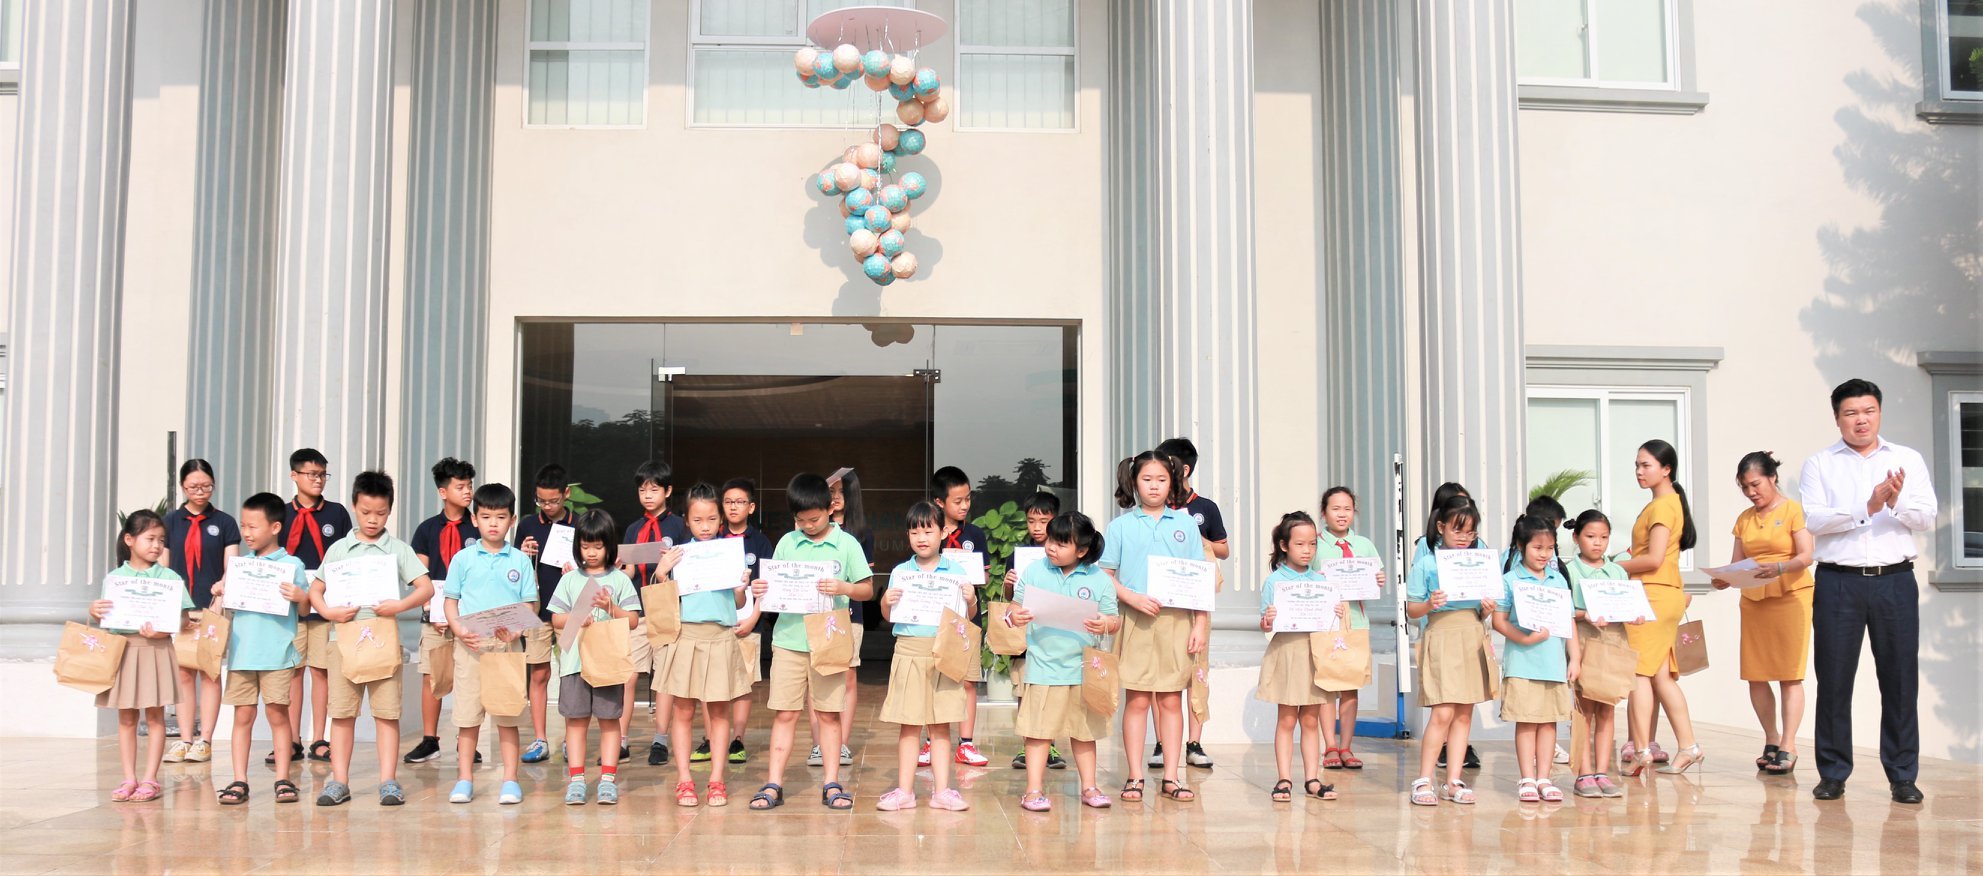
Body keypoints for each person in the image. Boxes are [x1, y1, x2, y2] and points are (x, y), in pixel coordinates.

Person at [1798, 379, 1935, 805]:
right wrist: (1868, 507)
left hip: (1895, 581)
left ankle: (1903, 775)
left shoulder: (1906, 459)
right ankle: (1833, 773)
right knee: (1834, 680)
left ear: (1879, 413)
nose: (1862, 420)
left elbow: (1926, 517)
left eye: (1869, 411)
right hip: (1839, 582)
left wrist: (1895, 502)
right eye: (1852, 413)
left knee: (1900, 680)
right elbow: (1815, 520)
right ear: (1837, 417)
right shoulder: (1820, 464)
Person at [746, 473, 874, 811]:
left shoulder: (847, 544)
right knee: (785, 713)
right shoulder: (788, 542)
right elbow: (773, 588)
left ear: (830, 508)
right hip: (789, 640)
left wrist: (844, 588)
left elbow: (867, 589)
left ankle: (832, 783)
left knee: (829, 714)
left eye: (814, 519)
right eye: (801, 520)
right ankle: (774, 783)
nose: (808, 526)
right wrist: (761, 589)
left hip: (829, 639)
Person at [306, 471, 434, 806]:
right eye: (365, 512)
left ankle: (388, 781)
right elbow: (315, 590)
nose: (372, 519)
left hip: (383, 638)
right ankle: (339, 781)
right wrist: (329, 612)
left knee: (386, 713)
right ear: (354, 506)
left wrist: (399, 605)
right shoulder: (339, 549)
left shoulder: (398, 550)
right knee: (342, 713)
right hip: (342, 639)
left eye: (380, 513)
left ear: (390, 510)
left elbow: (425, 588)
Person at [1097, 451, 1206, 803]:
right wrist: (1132, 598)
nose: (1154, 486)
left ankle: (1172, 776)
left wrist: (1200, 624)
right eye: (1147, 479)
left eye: (1161, 479)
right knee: (1138, 699)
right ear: (1134, 482)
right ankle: (1134, 776)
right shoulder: (1120, 527)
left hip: (1176, 621)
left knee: (1172, 699)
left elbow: (1200, 578)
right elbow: (1105, 574)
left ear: (1172, 482)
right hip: (1135, 621)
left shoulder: (1186, 525)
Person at [1711, 451, 1815, 776]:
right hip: (1754, 599)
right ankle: (1771, 738)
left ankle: (1789, 744)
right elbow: (1737, 563)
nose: (1751, 492)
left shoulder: (1793, 510)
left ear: (1772, 477)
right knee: (1756, 673)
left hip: (1790, 595)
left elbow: (1807, 555)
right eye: (1745, 487)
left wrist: (1780, 567)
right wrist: (1724, 578)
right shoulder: (1744, 519)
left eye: (1755, 484)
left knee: (1789, 673)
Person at [1009, 511, 1119, 812]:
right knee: (1038, 732)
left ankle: (1089, 787)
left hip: (1082, 670)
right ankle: (1033, 790)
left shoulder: (1100, 580)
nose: (1051, 548)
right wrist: (1014, 616)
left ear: (1081, 550)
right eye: (1050, 541)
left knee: (1084, 733)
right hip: (1043, 668)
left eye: (1061, 543)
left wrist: (1105, 623)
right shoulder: (1035, 571)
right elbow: (1013, 608)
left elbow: (1114, 620)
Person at [208, 492, 310, 804]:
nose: (247, 533)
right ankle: (239, 779)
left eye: (253, 526)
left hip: (277, 655)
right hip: (242, 655)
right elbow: (221, 611)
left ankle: (283, 778)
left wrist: (300, 597)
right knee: (243, 717)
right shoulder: (239, 566)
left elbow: (305, 610)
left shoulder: (292, 565)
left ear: (275, 527)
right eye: (243, 526)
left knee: (278, 716)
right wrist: (219, 592)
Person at [442, 483, 541, 805]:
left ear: (512, 520)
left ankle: (510, 780)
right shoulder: (463, 559)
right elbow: (450, 601)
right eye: (486, 517)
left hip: (506, 647)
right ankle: (464, 779)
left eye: (500, 517)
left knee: (507, 716)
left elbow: (530, 604)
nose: (493, 524)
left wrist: (517, 631)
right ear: (475, 519)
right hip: (471, 646)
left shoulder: (520, 560)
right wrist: (459, 630)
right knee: (467, 717)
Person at [655, 484, 753, 808]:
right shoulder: (680, 555)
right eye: (698, 520)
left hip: (721, 635)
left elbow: (738, 603)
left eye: (711, 519)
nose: (705, 526)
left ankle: (716, 779)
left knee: (719, 711)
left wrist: (741, 586)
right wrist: (662, 573)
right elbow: (664, 603)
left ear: (720, 519)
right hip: (687, 635)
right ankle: (684, 779)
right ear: (687, 520)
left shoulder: (729, 553)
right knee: (683, 710)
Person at [875, 500, 976, 811]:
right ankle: (905, 791)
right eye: (915, 532)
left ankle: (942, 791)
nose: (921, 538)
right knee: (909, 724)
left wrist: (972, 599)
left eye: (928, 531)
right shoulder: (900, 572)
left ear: (942, 533)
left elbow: (967, 617)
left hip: (943, 652)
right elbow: (888, 616)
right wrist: (886, 601)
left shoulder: (956, 572)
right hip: (909, 651)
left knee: (941, 724)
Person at [88, 510, 191, 804]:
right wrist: (94, 611)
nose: (157, 545)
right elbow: (106, 619)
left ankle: (150, 779)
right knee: (126, 717)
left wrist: (162, 630)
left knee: (156, 715)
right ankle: (129, 777)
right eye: (150, 539)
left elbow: (184, 620)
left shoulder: (169, 578)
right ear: (129, 540)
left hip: (157, 650)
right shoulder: (115, 579)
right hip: (125, 649)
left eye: (161, 540)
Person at [1616, 439, 1705, 776]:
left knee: (1639, 674)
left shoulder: (1663, 506)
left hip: (1652, 596)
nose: (1639, 472)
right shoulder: (1666, 503)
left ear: (1666, 469)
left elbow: (1653, 559)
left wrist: (1610, 568)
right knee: (1662, 678)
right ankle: (1689, 746)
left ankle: (1641, 749)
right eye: (1637, 465)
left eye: (1646, 465)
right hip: (1662, 594)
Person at [547, 509, 642, 805]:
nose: (591, 553)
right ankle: (576, 780)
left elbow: (633, 620)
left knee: (609, 720)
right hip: (574, 663)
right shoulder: (569, 580)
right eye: (585, 546)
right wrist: (578, 616)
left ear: (609, 546)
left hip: (608, 664)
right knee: (575, 721)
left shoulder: (620, 580)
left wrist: (610, 607)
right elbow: (556, 619)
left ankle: (607, 780)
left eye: (598, 547)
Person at [1405, 495, 1492, 806]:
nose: (1464, 538)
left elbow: (1484, 606)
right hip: (1441, 634)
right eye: (1458, 530)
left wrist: (1487, 608)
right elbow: (1411, 610)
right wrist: (1430, 603)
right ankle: (1424, 779)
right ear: (1441, 527)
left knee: (1464, 712)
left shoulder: (1480, 561)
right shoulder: (1427, 563)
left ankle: (1454, 780)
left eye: (1470, 532)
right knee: (1442, 711)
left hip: (1472, 633)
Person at [1255, 511, 1344, 802]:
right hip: (1287, 652)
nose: (1307, 550)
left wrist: (1337, 612)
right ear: (1284, 545)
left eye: (1312, 544)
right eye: (1300, 544)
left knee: (1310, 719)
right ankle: (1284, 779)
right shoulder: (1275, 582)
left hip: (1314, 654)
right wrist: (1268, 618)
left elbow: (1333, 625)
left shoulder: (1322, 581)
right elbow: (1264, 625)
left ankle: (1312, 779)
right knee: (1286, 719)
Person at [1494, 515, 1581, 804]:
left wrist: (1575, 658)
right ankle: (1528, 778)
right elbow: (1499, 621)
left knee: (1548, 722)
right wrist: (1524, 640)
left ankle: (1544, 777)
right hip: (1522, 663)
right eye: (1537, 547)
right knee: (1527, 721)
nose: (1544, 554)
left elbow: (1569, 622)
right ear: (1521, 546)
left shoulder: (1558, 580)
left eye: (1550, 548)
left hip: (1553, 664)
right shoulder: (1510, 580)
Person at [1154, 437, 1228, 770]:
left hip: (1195, 598)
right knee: (1159, 671)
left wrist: (1193, 535)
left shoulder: (1205, 508)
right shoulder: (1155, 506)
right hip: (1159, 599)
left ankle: (1194, 743)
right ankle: (1161, 742)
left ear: (1183, 470)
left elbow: (1223, 549)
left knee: (1197, 669)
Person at [160, 459, 239, 764]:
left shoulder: (225, 522)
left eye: (206, 485)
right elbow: (165, 568)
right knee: (183, 673)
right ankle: (184, 738)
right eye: (193, 486)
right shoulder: (170, 522)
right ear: (183, 487)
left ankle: (205, 740)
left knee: (209, 672)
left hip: (212, 608)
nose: (200, 491)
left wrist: (220, 597)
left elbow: (231, 566)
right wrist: (172, 604)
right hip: (181, 609)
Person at [280, 447, 353, 766]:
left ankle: (320, 738)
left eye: (323, 474)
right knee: (293, 671)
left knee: (321, 671)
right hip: (290, 606)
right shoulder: (282, 513)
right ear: (294, 476)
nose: (318, 480)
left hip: (327, 605)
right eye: (311, 474)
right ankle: (291, 739)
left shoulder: (336, 513)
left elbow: (346, 555)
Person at [405, 457, 479, 765]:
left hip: (469, 614)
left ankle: (467, 740)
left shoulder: (478, 525)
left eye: (469, 486)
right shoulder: (426, 529)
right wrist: (431, 609)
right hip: (434, 615)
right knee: (432, 676)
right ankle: (429, 739)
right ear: (443, 491)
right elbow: (419, 574)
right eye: (460, 487)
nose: (468, 492)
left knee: (468, 676)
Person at [705, 477, 775, 766]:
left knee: (743, 683)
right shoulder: (712, 539)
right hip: (715, 622)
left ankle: (737, 739)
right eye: (729, 502)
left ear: (751, 507)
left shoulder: (760, 542)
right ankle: (710, 738)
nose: (734, 507)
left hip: (748, 623)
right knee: (711, 683)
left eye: (740, 502)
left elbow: (767, 586)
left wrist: (754, 619)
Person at [624, 460, 689, 766]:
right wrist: (619, 570)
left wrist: (669, 564)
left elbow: (688, 569)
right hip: (636, 609)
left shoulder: (679, 527)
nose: (647, 495)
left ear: (668, 491)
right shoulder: (633, 529)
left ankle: (660, 740)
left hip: (666, 609)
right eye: (642, 490)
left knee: (663, 678)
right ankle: (620, 739)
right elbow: (628, 572)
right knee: (628, 674)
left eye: (653, 489)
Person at [1564, 509, 1632, 798]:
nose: (1597, 543)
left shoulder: (1617, 571)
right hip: (1584, 641)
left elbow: (1627, 603)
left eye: (1604, 537)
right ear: (1576, 537)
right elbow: (1564, 610)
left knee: (1607, 708)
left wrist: (1635, 613)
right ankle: (1584, 773)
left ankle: (1602, 772)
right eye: (1590, 536)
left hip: (1614, 642)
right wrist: (1585, 614)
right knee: (1584, 711)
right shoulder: (1569, 570)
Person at [926, 465, 991, 768]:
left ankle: (965, 743)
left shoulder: (975, 534)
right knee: (934, 679)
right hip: (933, 617)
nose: (965, 505)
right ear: (939, 502)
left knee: (967, 681)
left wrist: (970, 573)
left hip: (967, 617)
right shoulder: (930, 533)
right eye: (957, 501)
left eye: (968, 499)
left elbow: (985, 577)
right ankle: (931, 741)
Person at [1317, 486, 1385, 770]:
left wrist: (1378, 579)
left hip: (1356, 621)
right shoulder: (1316, 544)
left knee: (1350, 686)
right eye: (1335, 509)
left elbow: (1375, 576)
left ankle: (1346, 746)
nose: (1342, 514)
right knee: (1326, 685)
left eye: (1347, 509)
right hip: (1325, 622)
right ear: (1324, 513)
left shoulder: (1364, 545)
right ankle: (1329, 746)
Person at [811, 468, 875, 769]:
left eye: (841, 492)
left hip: (850, 615)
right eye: (830, 492)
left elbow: (865, 584)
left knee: (847, 678)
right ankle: (818, 746)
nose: (835, 498)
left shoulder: (861, 534)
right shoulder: (809, 529)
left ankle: (843, 745)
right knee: (817, 677)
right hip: (815, 615)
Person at [514, 462, 574, 766]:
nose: (548, 506)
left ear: (566, 494)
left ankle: (571, 739)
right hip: (537, 611)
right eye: (541, 501)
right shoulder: (527, 525)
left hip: (571, 610)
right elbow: (513, 568)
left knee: (571, 674)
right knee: (538, 673)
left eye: (553, 500)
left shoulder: (580, 523)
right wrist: (523, 554)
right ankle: (540, 738)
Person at [1005, 491, 1066, 771]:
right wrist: (1009, 583)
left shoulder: (1064, 553)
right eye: (1032, 521)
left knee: (1052, 690)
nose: (1037, 527)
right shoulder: (1018, 556)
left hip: (1053, 633)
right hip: (1025, 636)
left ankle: (1049, 745)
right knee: (1024, 690)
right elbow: (1011, 599)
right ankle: (1026, 744)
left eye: (1044, 521)